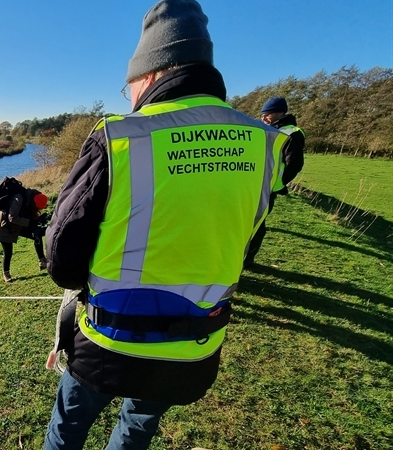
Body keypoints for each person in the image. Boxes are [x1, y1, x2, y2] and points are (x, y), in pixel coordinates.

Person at [42, 1, 289, 448]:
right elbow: (244, 240)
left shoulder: (119, 137)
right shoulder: (266, 144)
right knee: (138, 427)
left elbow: (61, 256)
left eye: (129, 86)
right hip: (194, 347)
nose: (130, 97)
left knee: (68, 427)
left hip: (109, 343)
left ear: (152, 73)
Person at [245, 96, 306, 266]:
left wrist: (278, 182)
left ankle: (247, 259)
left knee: (257, 224)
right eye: (262, 114)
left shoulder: (292, 133)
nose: (264, 117)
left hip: (268, 187)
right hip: (255, 183)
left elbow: (294, 163)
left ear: (280, 113)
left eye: (268, 114)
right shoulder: (267, 129)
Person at [0, 188, 49, 282]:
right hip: (5, 226)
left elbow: (28, 215)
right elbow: (12, 217)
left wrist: (38, 220)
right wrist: (30, 222)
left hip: (19, 225)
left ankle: (42, 261)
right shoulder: (19, 199)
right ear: (34, 202)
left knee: (37, 234)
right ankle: (6, 274)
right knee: (8, 252)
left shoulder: (29, 198)